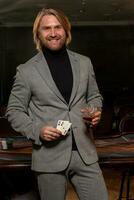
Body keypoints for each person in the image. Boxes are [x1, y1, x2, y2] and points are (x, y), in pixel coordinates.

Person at [6, 8, 108, 200]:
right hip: (49, 158)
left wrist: (95, 111)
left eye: (57, 27)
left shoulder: (85, 63)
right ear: (38, 34)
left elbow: (94, 96)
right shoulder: (26, 71)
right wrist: (38, 130)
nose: (53, 33)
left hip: (85, 154)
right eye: (46, 28)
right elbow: (14, 111)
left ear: (66, 30)